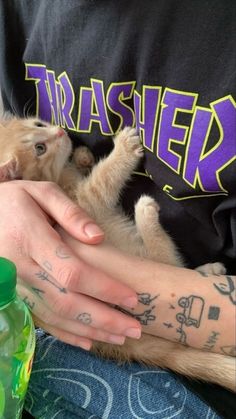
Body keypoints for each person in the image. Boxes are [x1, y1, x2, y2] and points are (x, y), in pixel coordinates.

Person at [0, 1, 235, 417]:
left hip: (133, 338)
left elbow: (86, 206)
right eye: (40, 136)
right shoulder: (17, 14)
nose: (56, 130)